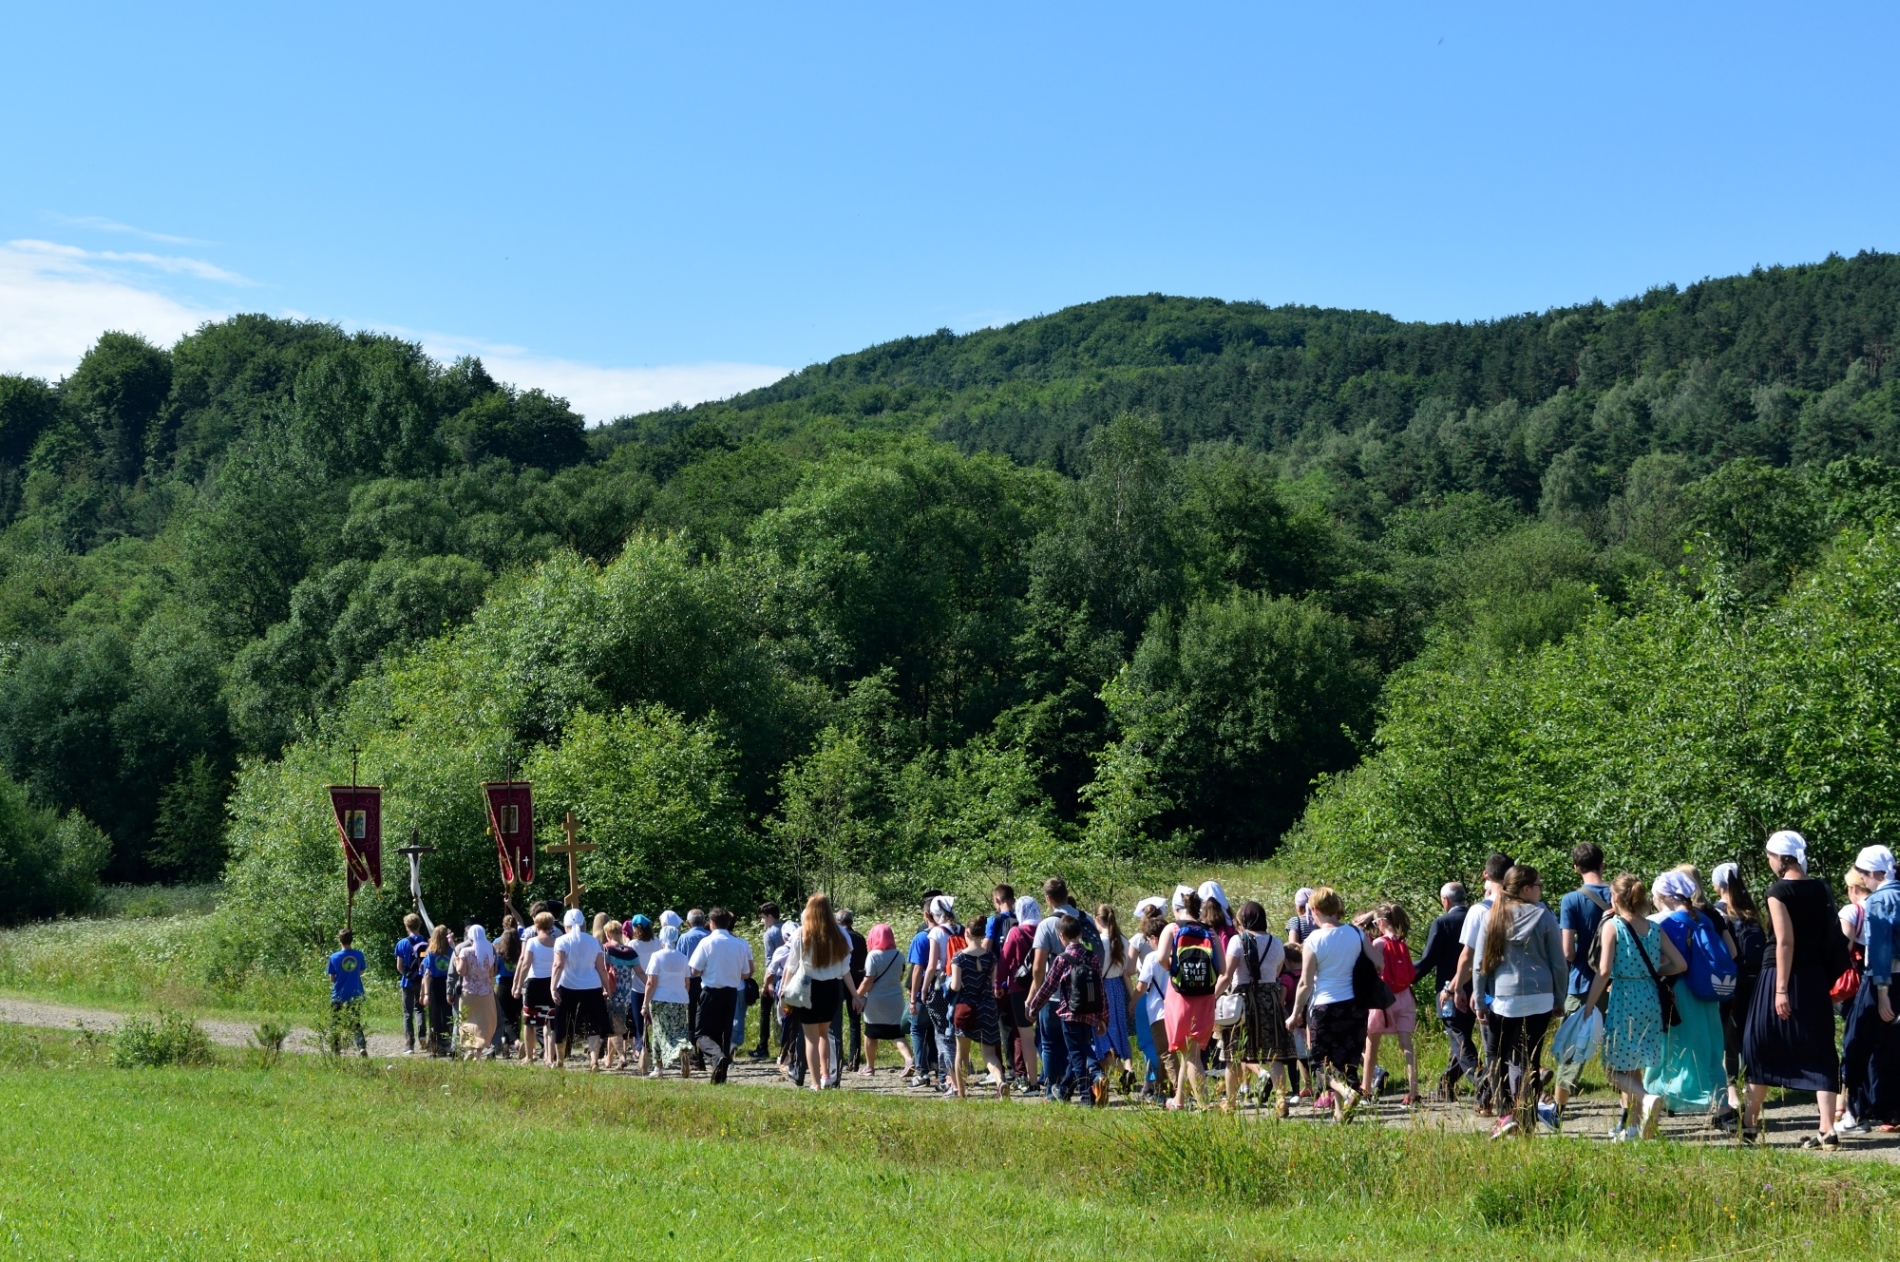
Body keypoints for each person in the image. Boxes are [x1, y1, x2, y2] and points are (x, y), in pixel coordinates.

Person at [1742, 830, 1846, 1148]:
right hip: (1814, 978)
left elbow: (1785, 941)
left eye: (1770, 857)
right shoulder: (1821, 889)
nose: (1769, 863)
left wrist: (1781, 989)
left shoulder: (1778, 891)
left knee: (1758, 1045)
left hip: (1780, 977)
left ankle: (1749, 1124)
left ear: (1780, 858)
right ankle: (1827, 1129)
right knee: (1820, 1049)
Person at [1581, 874, 1686, 1141]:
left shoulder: (1613, 926)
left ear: (1615, 898)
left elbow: (1604, 970)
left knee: (1612, 1068)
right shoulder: (1653, 927)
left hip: (1625, 997)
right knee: (1633, 1066)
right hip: (1650, 998)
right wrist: (1650, 972)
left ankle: (1646, 1098)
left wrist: (1589, 1005)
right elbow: (1680, 964)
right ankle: (1636, 1128)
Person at [1471, 865, 1565, 1138]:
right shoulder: (1544, 916)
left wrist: (1479, 1001)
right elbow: (1558, 963)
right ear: (1526, 889)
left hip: (1505, 997)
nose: (1541, 890)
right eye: (1539, 885)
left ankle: (1504, 1114)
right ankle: (1527, 1120)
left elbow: (1480, 965)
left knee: (1495, 1055)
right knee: (1531, 1059)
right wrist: (1559, 998)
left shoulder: (1494, 916)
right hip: (1541, 995)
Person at [1642, 870, 1732, 1124]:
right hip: (1707, 993)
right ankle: (1723, 1110)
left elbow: (1677, 965)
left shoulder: (1668, 924)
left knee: (1668, 1050)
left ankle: (1653, 1105)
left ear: (1664, 895)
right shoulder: (1703, 919)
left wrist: (1655, 970)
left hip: (1680, 993)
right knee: (1711, 1050)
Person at [1286, 886, 1379, 1122]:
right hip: (1354, 1006)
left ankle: (1348, 1093)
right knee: (1345, 1060)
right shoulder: (1356, 933)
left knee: (1319, 1064)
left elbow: (1306, 983)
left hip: (1324, 1008)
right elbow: (1379, 962)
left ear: (1314, 910)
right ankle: (1339, 1113)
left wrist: (1295, 1013)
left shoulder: (1313, 940)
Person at [1452, 852, 1516, 1117]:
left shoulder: (1479, 910)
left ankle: (1501, 1107)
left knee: (1494, 1051)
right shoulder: (1529, 905)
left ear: (1486, 875)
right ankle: (1520, 1101)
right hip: (1525, 988)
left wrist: (1456, 987)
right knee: (1518, 1049)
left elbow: (1468, 957)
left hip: (1491, 991)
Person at [1217, 900, 1292, 1115]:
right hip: (1270, 998)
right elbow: (1277, 972)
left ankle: (1230, 1103)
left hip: (1242, 1001)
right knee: (1274, 1053)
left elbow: (1228, 975)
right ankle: (1280, 1100)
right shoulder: (1277, 943)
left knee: (1233, 1054)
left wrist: (1213, 997)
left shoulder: (1236, 941)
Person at [1024, 914, 1108, 1105]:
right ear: (1080, 933)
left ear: (1061, 936)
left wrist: (1034, 1007)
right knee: (1077, 1052)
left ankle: (1087, 1098)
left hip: (1070, 1014)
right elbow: (1100, 989)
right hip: (1088, 1014)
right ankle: (1064, 1091)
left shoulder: (1062, 959)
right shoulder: (1092, 957)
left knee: (1077, 1056)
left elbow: (1048, 986)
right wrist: (1103, 1017)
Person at [1553, 843, 1612, 1117]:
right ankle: (1632, 1105)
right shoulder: (1618, 893)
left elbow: (1566, 950)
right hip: (1617, 980)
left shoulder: (1571, 900)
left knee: (1573, 1046)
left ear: (1576, 867)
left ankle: (1559, 1109)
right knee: (1619, 1043)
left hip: (1583, 982)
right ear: (1602, 863)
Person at [1031, 878, 1100, 1100]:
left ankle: (1053, 1092)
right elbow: (1099, 956)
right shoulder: (1086, 919)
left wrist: (1033, 998)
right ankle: (1075, 1086)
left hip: (1055, 998)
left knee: (1050, 1045)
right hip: (1086, 998)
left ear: (1048, 899)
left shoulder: (1046, 925)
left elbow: (1039, 967)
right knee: (1077, 1047)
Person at [1157, 886, 1223, 1111]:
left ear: (1177, 908)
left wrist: (1176, 969)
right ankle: (1179, 1100)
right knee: (1190, 1051)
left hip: (1180, 995)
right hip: (1205, 997)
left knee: (1191, 1054)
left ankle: (1205, 1106)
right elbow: (1222, 968)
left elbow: (1160, 959)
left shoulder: (1172, 928)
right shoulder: (1210, 931)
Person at [1710, 863, 1764, 1128]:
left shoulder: (1719, 913)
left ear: (1717, 885)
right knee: (1747, 1038)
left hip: (1729, 984)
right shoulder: (1752, 912)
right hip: (1755, 984)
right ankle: (1752, 1091)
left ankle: (1731, 1096)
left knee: (1727, 1041)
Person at [1851, 845, 1900, 1132]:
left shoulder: (1879, 900)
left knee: (1871, 1045)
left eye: (1862, 875)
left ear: (1872, 873)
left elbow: (1880, 948)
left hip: (1886, 979)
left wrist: (1882, 991)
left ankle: (1882, 1110)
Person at [783, 893, 852, 1091]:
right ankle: (826, 1076)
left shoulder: (802, 935)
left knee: (810, 1037)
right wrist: (855, 994)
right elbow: (844, 968)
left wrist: (785, 991)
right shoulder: (839, 936)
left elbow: (791, 965)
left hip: (809, 989)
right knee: (824, 1034)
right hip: (832, 989)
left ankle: (815, 1083)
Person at [1417, 882, 1474, 1101]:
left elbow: (1428, 960)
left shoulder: (1442, 923)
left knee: (1459, 1039)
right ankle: (1445, 1087)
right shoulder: (1476, 917)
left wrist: (1405, 978)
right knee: (1461, 1037)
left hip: (1449, 990)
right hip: (1475, 988)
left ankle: (1483, 1081)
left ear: (1445, 901)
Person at [1361, 904, 1420, 1106]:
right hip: (1405, 997)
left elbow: (1372, 971)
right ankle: (1414, 1092)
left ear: (1382, 922)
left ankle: (1366, 1089)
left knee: (1371, 1046)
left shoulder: (1378, 943)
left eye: (1376, 923)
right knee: (1407, 1045)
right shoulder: (1403, 943)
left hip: (1384, 1001)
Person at [688, 906, 754, 1084]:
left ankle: (717, 1057)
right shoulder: (739, 944)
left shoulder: (707, 943)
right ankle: (721, 1075)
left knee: (701, 1034)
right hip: (731, 992)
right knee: (724, 1033)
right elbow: (747, 972)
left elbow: (694, 969)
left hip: (710, 991)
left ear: (712, 923)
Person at [948, 918, 1008, 1100]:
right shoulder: (991, 957)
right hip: (988, 1007)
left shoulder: (959, 957)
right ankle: (1000, 1081)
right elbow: (993, 983)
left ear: (966, 933)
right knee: (989, 1054)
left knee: (962, 1053)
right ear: (983, 935)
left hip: (966, 1008)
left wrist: (947, 985)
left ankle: (962, 1092)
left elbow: (956, 986)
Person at [552, 908, 612, 1070]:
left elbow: (558, 965)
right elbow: (601, 968)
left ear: (566, 925)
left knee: (561, 1022)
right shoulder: (593, 941)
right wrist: (607, 988)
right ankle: (594, 1061)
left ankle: (560, 1060)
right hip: (591, 986)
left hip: (567, 985)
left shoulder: (562, 941)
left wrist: (553, 987)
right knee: (594, 1024)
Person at [856, 923, 913, 1076]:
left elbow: (868, 980)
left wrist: (858, 995)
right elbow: (900, 977)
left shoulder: (873, 956)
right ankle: (909, 1060)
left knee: (871, 1033)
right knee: (896, 1033)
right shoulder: (899, 955)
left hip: (876, 1000)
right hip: (895, 998)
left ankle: (869, 1066)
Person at [998, 897, 1042, 1094]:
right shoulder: (1045, 929)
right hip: (1044, 987)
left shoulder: (1015, 932)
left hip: (1019, 989)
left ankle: (1032, 1082)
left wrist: (998, 983)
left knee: (1026, 1036)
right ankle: (1052, 1077)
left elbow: (1004, 960)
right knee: (1047, 1036)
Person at [1092, 905, 1135, 1097]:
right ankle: (1128, 1067)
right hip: (1117, 988)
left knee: (1101, 1036)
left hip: (1102, 989)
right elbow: (1126, 972)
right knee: (1120, 1033)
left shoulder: (1099, 942)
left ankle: (1118, 1072)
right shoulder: (1123, 940)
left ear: (1098, 920)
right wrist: (1132, 998)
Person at [642, 925, 694, 1078]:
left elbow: (651, 982)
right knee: (679, 1030)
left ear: (661, 939)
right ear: (677, 939)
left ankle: (658, 1068)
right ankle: (683, 1047)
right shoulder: (683, 958)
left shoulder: (657, 957)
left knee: (659, 1033)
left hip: (660, 999)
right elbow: (687, 983)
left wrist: (645, 1003)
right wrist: (682, 995)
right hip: (681, 998)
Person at [1132, 910, 1174, 1101]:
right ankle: (1161, 1090)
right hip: (1175, 1009)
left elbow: (1142, 985)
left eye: (1149, 938)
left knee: (1163, 1052)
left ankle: (1177, 1091)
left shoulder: (1152, 958)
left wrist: (1131, 1003)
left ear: (1155, 938)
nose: (1148, 942)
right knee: (1171, 1051)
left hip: (1158, 1010)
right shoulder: (1175, 956)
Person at [906, 891, 943, 1089]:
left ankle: (921, 1072)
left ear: (926, 914)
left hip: (924, 991)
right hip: (944, 990)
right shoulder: (949, 933)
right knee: (939, 1030)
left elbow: (917, 969)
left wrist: (913, 997)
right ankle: (942, 1071)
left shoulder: (921, 937)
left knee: (918, 1029)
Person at [514, 911, 559, 1064]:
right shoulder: (557, 942)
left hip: (534, 983)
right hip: (551, 984)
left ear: (537, 925)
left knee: (529, 1022)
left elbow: (526, 964)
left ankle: (530, 1055)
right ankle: (549, 1057)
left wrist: (519, 985)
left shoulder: (532, 942)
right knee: (550, 1022)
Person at [454, 925, 498, 1058]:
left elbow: (461, 971)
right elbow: (491, 973)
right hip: (486, 991)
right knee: (484, 1022)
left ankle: (469, 1050)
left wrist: (457, 962)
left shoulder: (465, 951)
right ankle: (479, 1052)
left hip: (469, 991)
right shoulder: (489, 950)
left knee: (466, 1020)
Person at [603, 922, 641, 1069]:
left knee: (613, 1027)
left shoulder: (606, 949)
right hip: (626, 993)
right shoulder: (630, 951)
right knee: (616, 1024)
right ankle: (609, 1059)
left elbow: (602, 969)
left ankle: (622, 1056)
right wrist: (651, 985)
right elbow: (640, 972)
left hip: (611, 991)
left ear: (609, 933)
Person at [327, 929, 368, 1056]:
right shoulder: (359, 955)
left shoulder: (333, 957)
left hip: (339, 995)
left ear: (339, 940)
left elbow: (331, 978)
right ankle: (361, 1047)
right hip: (355, 994)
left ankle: (336, 1049)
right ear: (352, 940)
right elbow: (361, 971)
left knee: (335, 1023)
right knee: (355, 1022)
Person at [752, 902, 784, 1059]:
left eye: (763, 918)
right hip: (792, 978)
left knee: (765, 1012)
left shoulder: (770, 934)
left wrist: (768, 983)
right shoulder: (790, 928)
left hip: (776, 977)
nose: (762, 921)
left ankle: (763, 1046)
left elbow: (769, 961)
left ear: (770, 916)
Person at [837, 909, 867, 1071]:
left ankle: (837, 1056)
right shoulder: (860, 938)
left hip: (841, 980)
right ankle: (854, 1060)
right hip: (857, 981)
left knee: (836, 1020)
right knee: (855, 1021)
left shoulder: (839, 937)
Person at [679, 909, 710, 1069]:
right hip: (708, 981)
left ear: (688, 922)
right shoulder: (709, 936)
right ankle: (707, 1054)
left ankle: (696, 1057)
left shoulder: (684, 938)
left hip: (690, 982)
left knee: (692, 1020)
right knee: (706, 1019)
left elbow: (680, 962)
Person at [395, 913, 429, 1054]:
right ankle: (422, 1035)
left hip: (407, 982)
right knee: (420, 1009)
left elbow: (399, 966)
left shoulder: (402, 943)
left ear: (406, 926)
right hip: (421, 982)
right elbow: (426, 963)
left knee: (407, 1013)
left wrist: (407, 975)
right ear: (419, 925)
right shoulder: (427, 942)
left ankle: (409, 1044)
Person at [422, 925, 455, 1057]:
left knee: (435, 1016)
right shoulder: (451, 951)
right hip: (448, 984)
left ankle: (436, 1047)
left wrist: (425, 994)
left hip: (435, 985)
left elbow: (427, 974)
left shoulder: (431, 953)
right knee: (448, 1015)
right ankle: (448, 1043)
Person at [493, 914, 522, 1058]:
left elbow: (495, 968)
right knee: (516, 1015)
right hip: (517, 983)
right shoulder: (521, 943)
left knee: (504, 1016)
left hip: (503, 983)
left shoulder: (497, 943)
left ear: (504, 926)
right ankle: (513, 1043)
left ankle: (511, 1043)